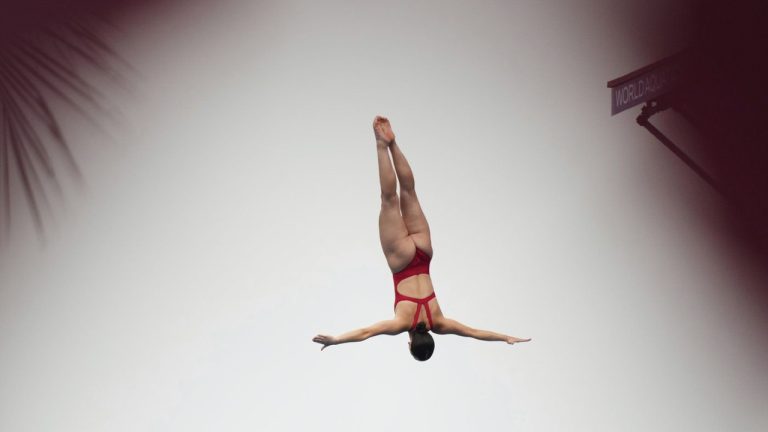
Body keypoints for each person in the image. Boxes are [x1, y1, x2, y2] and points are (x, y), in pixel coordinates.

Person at [312, 116, 531, 361]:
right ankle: (381, 145)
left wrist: (505, 337)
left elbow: (473, 332)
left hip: (423, 252)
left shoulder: (440, 323)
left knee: (408, 191)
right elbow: (367, 332)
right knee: (388, 200)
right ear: (409, 344)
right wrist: (335, 340)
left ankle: (393, 144)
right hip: (401, 261)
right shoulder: (402, 322)